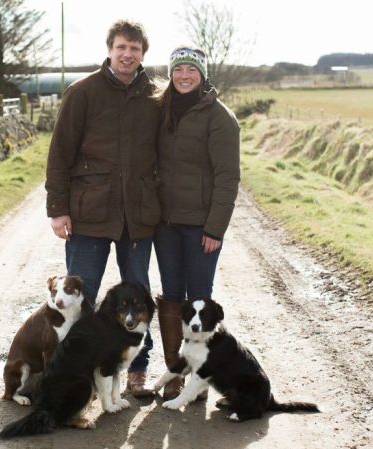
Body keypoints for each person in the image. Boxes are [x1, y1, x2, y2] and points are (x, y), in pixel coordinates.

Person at [45, 20, 161, 398]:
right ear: (110, 49)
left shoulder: (155, 96)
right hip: (89, 214)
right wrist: (58, 209)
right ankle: (71, 375)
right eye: (122, 47)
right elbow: (60, 153)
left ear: (143, 53)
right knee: (81, 298)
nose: (128, 54)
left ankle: (137, 371)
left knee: (139, 297)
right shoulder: (82, 93)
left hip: (137, 217)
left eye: (135, 49)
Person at [153, 46, 240, 399]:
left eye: (191, 70)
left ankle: (201, 377)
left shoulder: (220, 118)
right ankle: (174, 373)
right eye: (178, 69)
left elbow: (228, 177)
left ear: (202, 75)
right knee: (172, 299)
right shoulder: (161, 110)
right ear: (171, 73)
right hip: (165, 224)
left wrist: (215, 228)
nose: (184, 75)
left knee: (199, 300)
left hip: (201, 226)